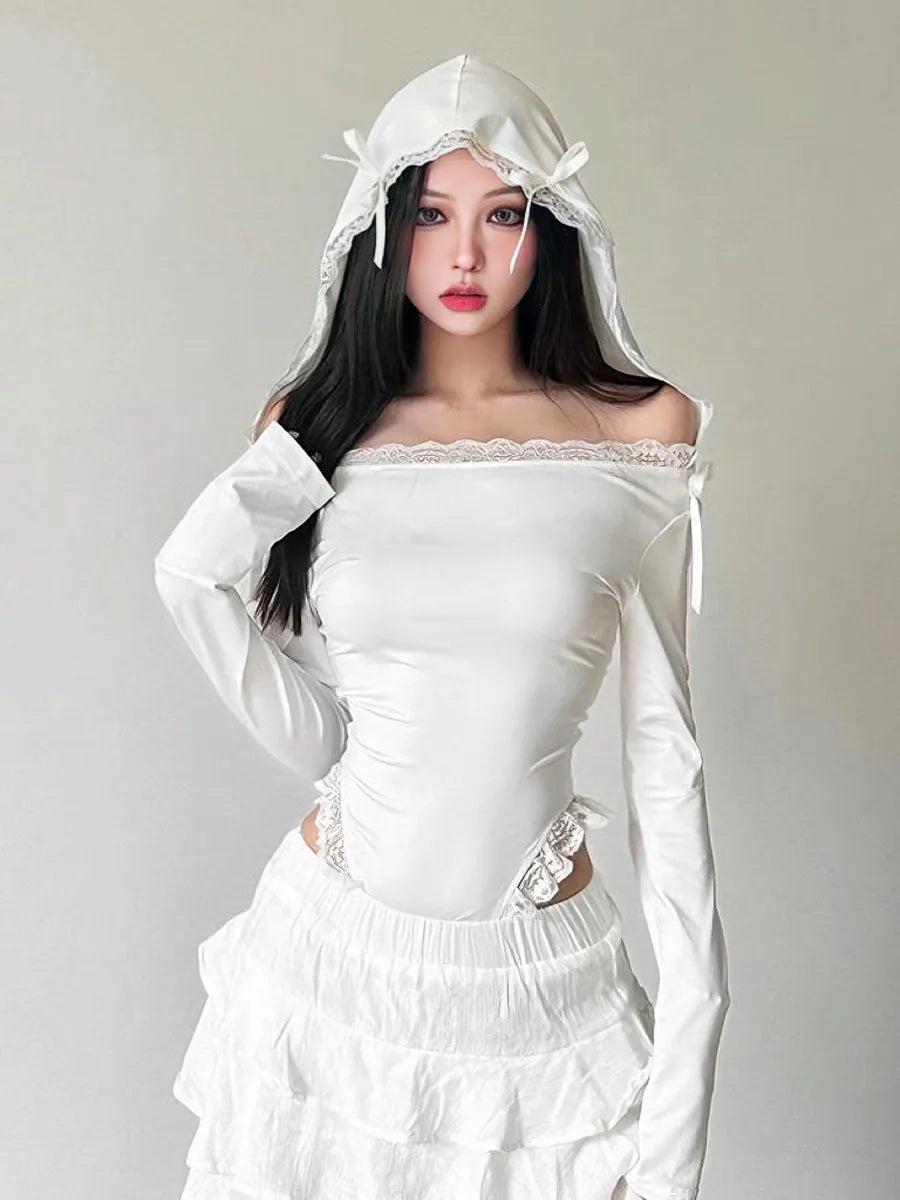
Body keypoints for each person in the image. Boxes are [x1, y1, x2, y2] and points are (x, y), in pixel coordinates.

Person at [155, 52, 731, 1200]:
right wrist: (340, 752)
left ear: (550, 227)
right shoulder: (314, 429)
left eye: (502, 214)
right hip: (327, 970)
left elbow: (665, 759)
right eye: (428, 214)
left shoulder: (640, 436)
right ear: (378, 226)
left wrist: (688, 1076)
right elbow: (205, 591)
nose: (464, 254)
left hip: (541, 1000)